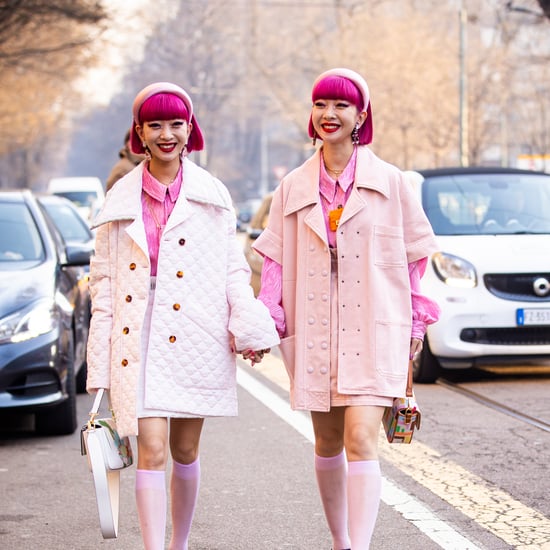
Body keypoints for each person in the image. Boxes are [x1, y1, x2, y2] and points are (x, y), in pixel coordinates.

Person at [86, 81, 279, 550]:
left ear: (190, 129)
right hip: (139, 330)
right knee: (150, 449)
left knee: (185, 450)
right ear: (140, 132)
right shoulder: (119, 200)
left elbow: (232, 269)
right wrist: (100, 364)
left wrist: (250, 328)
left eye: (176, 124)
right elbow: (104, 286)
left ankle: (181, 543)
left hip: (197, 330)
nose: (167, 134)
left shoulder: (213, 195)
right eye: (156, 125)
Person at [253, 68, 440, 549]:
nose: (329, 115)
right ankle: (341, 540)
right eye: (320, 105)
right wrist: (266, 320)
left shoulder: (392, 183)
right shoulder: (292, 188)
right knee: (327, 443)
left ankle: (359, 546)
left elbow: (416, 257)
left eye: (341, 106)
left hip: (374, 329)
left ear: (361, 116)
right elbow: (273, 261)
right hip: (314, 327)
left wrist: (415, 320)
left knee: (361, 439)